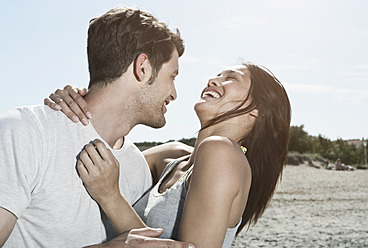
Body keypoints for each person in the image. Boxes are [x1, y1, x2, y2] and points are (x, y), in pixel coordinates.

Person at [0, 6, 192, 248]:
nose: (174, 94)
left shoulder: (136, 168)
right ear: (142, 67)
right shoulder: (26, 132)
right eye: (172, 76)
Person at [46, 62, 291, 247]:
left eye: (231, 78)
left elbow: (105, 184)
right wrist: (77, 104)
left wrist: (111, 197)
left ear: (256, 111)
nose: (213, 80)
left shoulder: (223, 153)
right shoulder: (174, 156)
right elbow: (106, 156)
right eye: (218, 74)